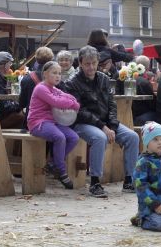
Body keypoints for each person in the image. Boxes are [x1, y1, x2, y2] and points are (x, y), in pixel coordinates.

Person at [64, 46, 140, 198]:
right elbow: (79, 111)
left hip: (105, 122)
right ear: (80, 63)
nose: (91, 67)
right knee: (100, 137)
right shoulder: (72, 83)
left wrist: (112, 126)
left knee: (133, 137)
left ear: (98, 62)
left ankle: (129, 180)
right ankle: (95, 182)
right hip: (81, 123)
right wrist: (103, 127)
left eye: (94, 63)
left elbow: (111, 104)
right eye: (87, 64)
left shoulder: (104, 78)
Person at [27, 61, 80, 189]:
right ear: (45, 74)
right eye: (54, 73)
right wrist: (73, 104)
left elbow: (70, 97)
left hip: (52, 122)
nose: (58, 76)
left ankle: (52, 163)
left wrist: (73, 102)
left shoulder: (54, 89)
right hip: (38, 122)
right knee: (60, 137)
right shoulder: (41, 88)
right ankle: (61, 171)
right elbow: (56, 101)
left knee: (74, 137)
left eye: (59, 73)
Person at [19, 47, 54, 121]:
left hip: (32, 119)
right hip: (52, 119)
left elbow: (22, 103)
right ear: (51, 59)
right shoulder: (57, 78)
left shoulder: (26, 79)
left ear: (36, 59)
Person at [131, 55, 157, 126]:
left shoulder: (130, 79)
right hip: (142, 115)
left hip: (131, 114)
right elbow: (153, 103)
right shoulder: (144, 82)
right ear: (147, 67)